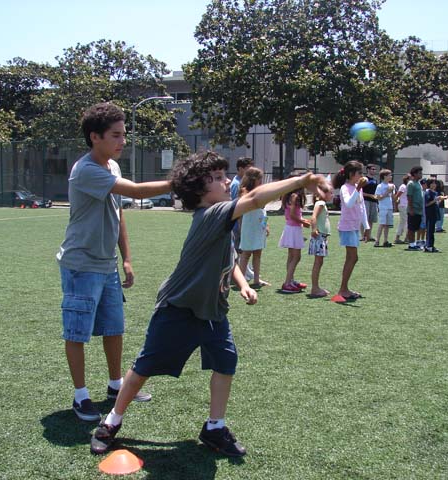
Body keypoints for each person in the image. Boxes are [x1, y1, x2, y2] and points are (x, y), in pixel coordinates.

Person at [90, 151, 327, 456]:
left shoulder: (220, 220)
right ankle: (111, 421)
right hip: (178, 309)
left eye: (224, 175)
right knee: (144, 367)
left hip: (213, 310)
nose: (226, 181)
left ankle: (214, 428)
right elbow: (255, 198)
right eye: (216, 178)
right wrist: (302, 180)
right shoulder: (212, 214)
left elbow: (230, 259)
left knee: (225, 362)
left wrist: (243, 284)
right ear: (199, 190)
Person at [57, 102, 171, 422]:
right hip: (81, 265)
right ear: (95, 137)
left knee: (114, 328)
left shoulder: (113, 167)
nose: (123, 141)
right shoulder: (86, 170)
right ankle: (81, 396)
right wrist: (179, 181)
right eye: (116, 135)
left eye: (124, 134)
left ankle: (115, 385)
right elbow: (136, 192)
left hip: (106, 264)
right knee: (76, 333)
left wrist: (127, 259)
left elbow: (118, 212)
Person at [331, 161, 368, 303]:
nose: (361, 175)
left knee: (352, 258)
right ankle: (343, 289)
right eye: (359, 173)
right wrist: (358, 188)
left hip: (354, 227)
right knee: (352, 258)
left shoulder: (358, 188)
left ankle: (344, 289)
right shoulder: (345, 188)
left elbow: (362, 207)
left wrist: (366, 227)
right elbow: (348, 203)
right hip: (347, 227)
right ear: (352, 174)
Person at [237, 167, 270, 288]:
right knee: (246, 254)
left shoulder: (260, 191)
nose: (261, 181)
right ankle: (241, 281)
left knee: (258, 253)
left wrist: (266, 225)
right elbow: (243, 207)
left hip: (259, 225)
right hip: (249, 226)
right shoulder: (244, 192)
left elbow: (263, 210)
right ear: (252, 179)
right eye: (259, 179)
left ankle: (256, 279)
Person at [279, 184, 310, 293]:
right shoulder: (295, 196)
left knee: (291, 256)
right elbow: (292, 215)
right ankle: (287, 283)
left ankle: (290, 280)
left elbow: (292, 214)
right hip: (293, 229)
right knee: (296, 257)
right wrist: (303, 222)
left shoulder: (289, 196)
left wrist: (302, 220)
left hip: (290, 228)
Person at [230, 157, 254, 281]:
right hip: (237, 223)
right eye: (247, 168)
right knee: (238, 249)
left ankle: (246, 271)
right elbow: (236, 205)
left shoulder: (243, 182)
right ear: (240, 168)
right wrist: (239, 224)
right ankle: (238, 274)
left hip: (244, 221)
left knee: (243, 248)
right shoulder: (236, 184)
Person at [308, 182, 333, 297]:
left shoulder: (322, 203)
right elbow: (313, 217)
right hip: (319, 236)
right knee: (318, 262)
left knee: (319, 262)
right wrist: (314, 229)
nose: (332, 195)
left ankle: (316, 287)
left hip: (322, 236)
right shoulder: (321, 203)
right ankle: (315, 288)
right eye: (330, 193)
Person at [374, 169, 395, 247]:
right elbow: (378, 197)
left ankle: (385, 241)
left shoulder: (392, 186)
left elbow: (393, 197)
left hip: (389, 207)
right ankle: (377, 241)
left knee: (387, 225)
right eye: (389, 175)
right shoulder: (380, 186)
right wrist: (387, 192)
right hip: (383, 207)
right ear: (384, 176)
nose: (391, 176)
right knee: (382, 224)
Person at [423, 178, 445, 253]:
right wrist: (435, 200)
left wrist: (440, 200)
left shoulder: (435, 193)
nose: (434, 185)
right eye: (432, 183)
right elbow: (427, 204)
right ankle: (428, 246)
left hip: (434, 213)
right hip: (429, 214)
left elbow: (435, 203)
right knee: (429, 230)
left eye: (435, 183)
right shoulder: (428, 192)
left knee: (432, 231)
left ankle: (430, 245)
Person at [406, 166, 424, 251]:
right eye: (419, 173)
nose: (421, 174)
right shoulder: (411, 183)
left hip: (419, 210)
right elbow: (409, 196)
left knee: (417, 227)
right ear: (415, 174)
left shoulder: (418, 183)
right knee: (411, 228)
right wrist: (411, 208)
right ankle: (411, 245)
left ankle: (415, 243)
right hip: (413, 209)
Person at [361, 164, 378, 242]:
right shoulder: (364, 179)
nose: (374, 171)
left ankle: (368, 235)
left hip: (374, 201)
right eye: (372, 169)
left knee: (371, 219)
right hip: (365, 201)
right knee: (364, 218)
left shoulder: (375, 180)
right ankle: (362, 236)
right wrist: (370, 195)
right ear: (368, 170)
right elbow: (360, 192)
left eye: (375, 169)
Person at [394, 174, 410, 244]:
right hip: (403, 206)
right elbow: (397, 196)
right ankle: (397, 238)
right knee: (404, 222)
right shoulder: (403, 186)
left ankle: (406, 237)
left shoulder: (409, 187)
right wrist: (396, 204)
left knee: (407, 222)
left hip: (407, 206)